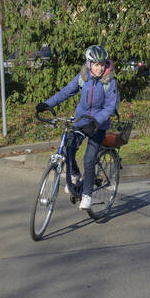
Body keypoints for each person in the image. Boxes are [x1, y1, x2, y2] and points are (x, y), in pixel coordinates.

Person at [36, 45, 119, 209]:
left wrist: (95, 122)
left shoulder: (110, 82)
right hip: (81, 121)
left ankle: (87, 195)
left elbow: (110, 107)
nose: (100, 68)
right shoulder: (83, 77)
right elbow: (66, 91)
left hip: (98, 125)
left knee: (89, 159)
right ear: (89, 64)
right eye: (96, 64)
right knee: (69, 147)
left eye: (102, 64)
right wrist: (47, 104)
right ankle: (74, 174)